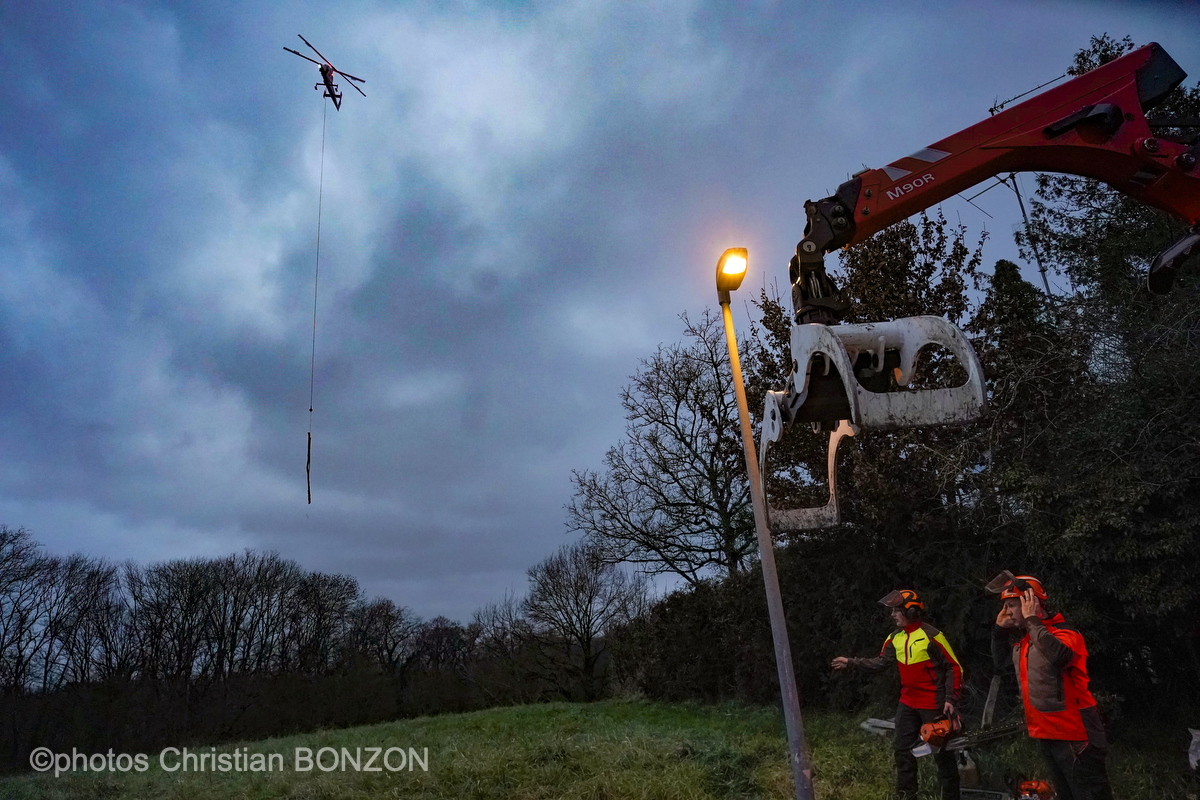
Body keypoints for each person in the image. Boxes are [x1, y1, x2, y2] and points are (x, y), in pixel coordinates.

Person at [986, 571, 1113, 800]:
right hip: (1047, 733)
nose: (1007, 611)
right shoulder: (1026, 641)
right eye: (1005, 606)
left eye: (1012, 605)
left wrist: (1032, 619)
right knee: (1065, 794)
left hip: (1076, 736)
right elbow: (1002, 664)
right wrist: (999, 631)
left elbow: (1060, 656)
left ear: (1031, 603)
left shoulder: (1064, 634)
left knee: (1090, 795)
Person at [832, 589, 962, 800]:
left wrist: (950, 698)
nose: (892, 615)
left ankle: (951, 796)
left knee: (942, 755)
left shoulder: (932, 636)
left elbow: (953, 668)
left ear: (911, 612)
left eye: (896, 611)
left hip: (933, 703)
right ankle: (906, 795)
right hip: (908, 702)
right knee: (902, 751)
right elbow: (880, 662)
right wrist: (851, 662)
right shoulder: (894, 638)